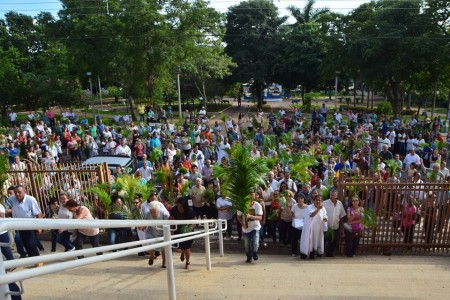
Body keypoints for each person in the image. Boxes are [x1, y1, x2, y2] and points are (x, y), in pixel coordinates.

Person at [8, 185, 43, 263]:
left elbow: (38, 214)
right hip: (19, 225)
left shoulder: (30, 199)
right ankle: (31, 260)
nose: (17, 194)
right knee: (25, 244)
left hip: (30, 225)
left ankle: (38, 260)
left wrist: (40, 227)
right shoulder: (12, 199)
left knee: (31, 243)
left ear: (25, 192)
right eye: (15, 192)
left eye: (19, 192)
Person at [236, 192, 263, 263]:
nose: (251, 195)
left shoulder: (257, 205)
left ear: (254, 195)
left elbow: (260, 217)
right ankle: (249, 257)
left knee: (255, 243)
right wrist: (243, 224)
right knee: (247, 246)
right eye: (249, 194)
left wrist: (251, 216)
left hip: (255, 227)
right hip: (246, 229)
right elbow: (238, 216)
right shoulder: (242, 205)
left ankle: (254, 253)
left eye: (252, 194)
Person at [170, 198, 196, 269]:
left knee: (187, 248)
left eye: (181, 206)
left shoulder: (190, 211)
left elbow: (194, 221)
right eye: (178, 206)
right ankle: (182, 252)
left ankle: (187, 262)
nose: (179, 208)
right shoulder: (174, 210)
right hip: (177, 230)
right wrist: (171, 230)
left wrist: (189, 228)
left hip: (188, 231)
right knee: (178, 249)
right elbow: (171, 219)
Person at [300, 194, 328, 259]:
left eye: (320, 200)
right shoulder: (309, 207)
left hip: (318, 229)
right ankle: (304, 254)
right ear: (313, 200)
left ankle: (313, 254)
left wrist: (325, 218)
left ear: (322, 201)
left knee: (315, 241)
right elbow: (311, 215)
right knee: (308, 241)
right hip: (310, 229)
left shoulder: (323, 208)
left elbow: (325, 215)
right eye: (317, 200)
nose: (318, 201)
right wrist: (317, 209)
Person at [145, 200, 170, 268]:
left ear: (158, 210)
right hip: (151, 231)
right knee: (148, 245)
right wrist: (142, 227)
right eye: (151, 212)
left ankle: (164, 262)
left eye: (155, 212)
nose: (153, 214)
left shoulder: (164, 214)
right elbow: (145, 223)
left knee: (163, 248)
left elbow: (168, 225)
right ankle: (152, 255)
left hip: (162, 231)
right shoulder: (148, 214)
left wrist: (167, 234)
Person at [323, 189, 346, 257]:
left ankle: (329, 253)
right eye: (331, 195)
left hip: (336, 226)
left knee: (334, 241)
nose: (332, 196)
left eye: (334, 195)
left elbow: (341, 215)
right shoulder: (325, 203)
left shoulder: (339, 203)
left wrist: (341, 226)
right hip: (326, 226)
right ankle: (320, 253)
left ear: (337, 195)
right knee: (324, 240)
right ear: (329, 195)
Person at [290, 192, 308, 257]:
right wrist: (294, 219)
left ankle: (302, 252)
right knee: (294, 239)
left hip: (304, 226)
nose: (300, 200)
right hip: (295, 225)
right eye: (299, 198)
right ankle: (294, 252)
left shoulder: (307, 207)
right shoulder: (294, 206)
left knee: (303, 240)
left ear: (304, 199)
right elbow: (291, 213)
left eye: (301, 198)